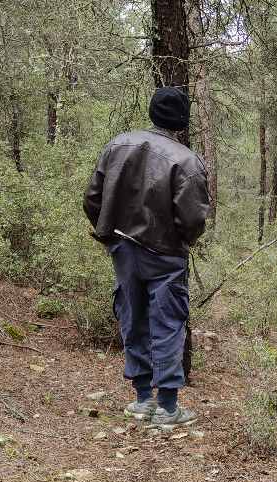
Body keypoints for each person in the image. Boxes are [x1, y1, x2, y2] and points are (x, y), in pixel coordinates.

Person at [83, 87, 210, 428]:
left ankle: (142, 400)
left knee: (132, 316)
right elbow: (194, 219)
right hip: (165, 254)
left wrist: (109, 233)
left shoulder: (116, 146)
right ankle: (167, 407)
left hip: (122, 249)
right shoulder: (187, 161)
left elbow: (92, 198)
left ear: (153, 112)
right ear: (182, 122)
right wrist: (180, 241)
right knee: (168, 323)